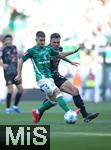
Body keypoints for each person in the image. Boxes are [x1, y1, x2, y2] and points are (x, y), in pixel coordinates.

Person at [15, 31, 80, 124]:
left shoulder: (48, 49)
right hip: (41, 79)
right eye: (40, 40)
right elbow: (20, 60)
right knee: (57, 92)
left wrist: (73, 52)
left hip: (50, 79)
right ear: (36, 40)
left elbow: (60, 55)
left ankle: (37, 112)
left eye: (44, 40)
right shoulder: (31, 51)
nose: (42, 42)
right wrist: (19, 75)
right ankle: (69, 112)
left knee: (53, 101)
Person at [40, 33, 99, 123]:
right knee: (53, 100)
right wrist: (73, 52)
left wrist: (70, 61)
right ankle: (38, 114)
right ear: (50, 41)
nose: (56, 44)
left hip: (56, 76)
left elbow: (60, 55)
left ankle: (85, 115)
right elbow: (58, 55)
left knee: (74, 91)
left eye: (58, 42)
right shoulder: (46, 50)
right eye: (54, 42)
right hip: (48, 77)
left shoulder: (59, 48)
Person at [0, 34, 23, 114]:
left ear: (12, 40)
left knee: (20, 89)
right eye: (7, 40)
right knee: (11, 90)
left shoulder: (14, 48)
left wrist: (19, 72)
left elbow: (18, 58)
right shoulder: (2, 49)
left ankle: (15, 106)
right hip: (8, 73)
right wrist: (3, 65)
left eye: (10, 39)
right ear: (5, 41)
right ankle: (7, 108)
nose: (8, 41)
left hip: (15, 72)